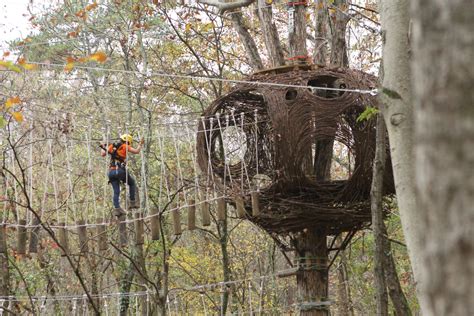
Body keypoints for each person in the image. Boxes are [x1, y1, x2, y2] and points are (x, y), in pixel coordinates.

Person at [100, 134, 144, 216]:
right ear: (128, 141)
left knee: (116, 191)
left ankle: (117, 209)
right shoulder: (125, 146)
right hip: (120, 171)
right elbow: (136, 151)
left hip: (111, 172)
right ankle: (132, 202)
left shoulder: (112, 146)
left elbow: (103, 154)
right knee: (131, 183)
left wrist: (104, 144)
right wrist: (140, 144)